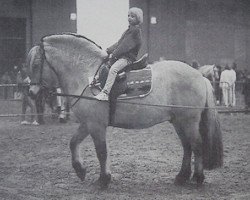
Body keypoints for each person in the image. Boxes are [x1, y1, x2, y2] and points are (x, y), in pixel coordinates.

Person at [95, 7, 143, 101]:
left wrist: (114, 54)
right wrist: (108, 50)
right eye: (128, 16)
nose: (129, 18)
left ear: (138, 19)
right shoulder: (128, 31)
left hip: (128, 58)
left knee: (113, 69)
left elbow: (125, 46)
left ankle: (105, 93)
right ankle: (97, 80)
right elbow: (119, 43)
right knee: (105, 64)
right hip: (122, 56)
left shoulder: (135, 31)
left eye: (132, 16)